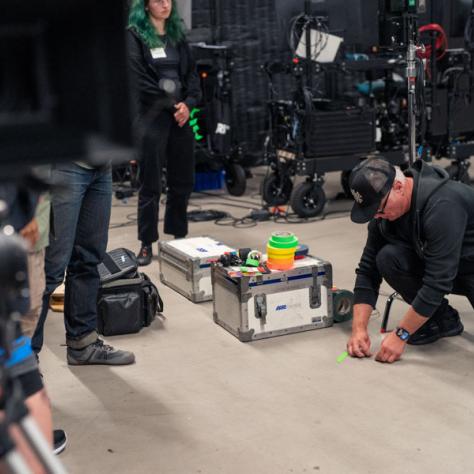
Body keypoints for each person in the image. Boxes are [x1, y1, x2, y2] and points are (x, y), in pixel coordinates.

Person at [346, 157, 472, 364]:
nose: (377, 216)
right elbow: (367, 270)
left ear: (398, 186)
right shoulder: (384, 216)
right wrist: (358, 330)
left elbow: (438, 281)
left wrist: (400, 335)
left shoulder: (442, 205)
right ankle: (442, 320)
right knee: (388, 258)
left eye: (379, 208)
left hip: (468, 265)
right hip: (451, 265)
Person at [30, 162, 135, 366]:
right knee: (50, 269)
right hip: (65, 164)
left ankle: (82, 345)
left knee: (89, 259)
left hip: (101, 166)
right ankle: (24, 362)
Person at [127, 0, 201, 266]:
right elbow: (139, 80)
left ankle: (179, 237)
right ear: (145, 6)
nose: (165, 4)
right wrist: (173, 106)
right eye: (158, 0)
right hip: (153, 117)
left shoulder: (177, 36)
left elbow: (192, 75)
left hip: (181, 117)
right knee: (151, 184)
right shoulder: (135, 36)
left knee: (182, 180)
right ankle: (147, 243)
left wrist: (188, 105)